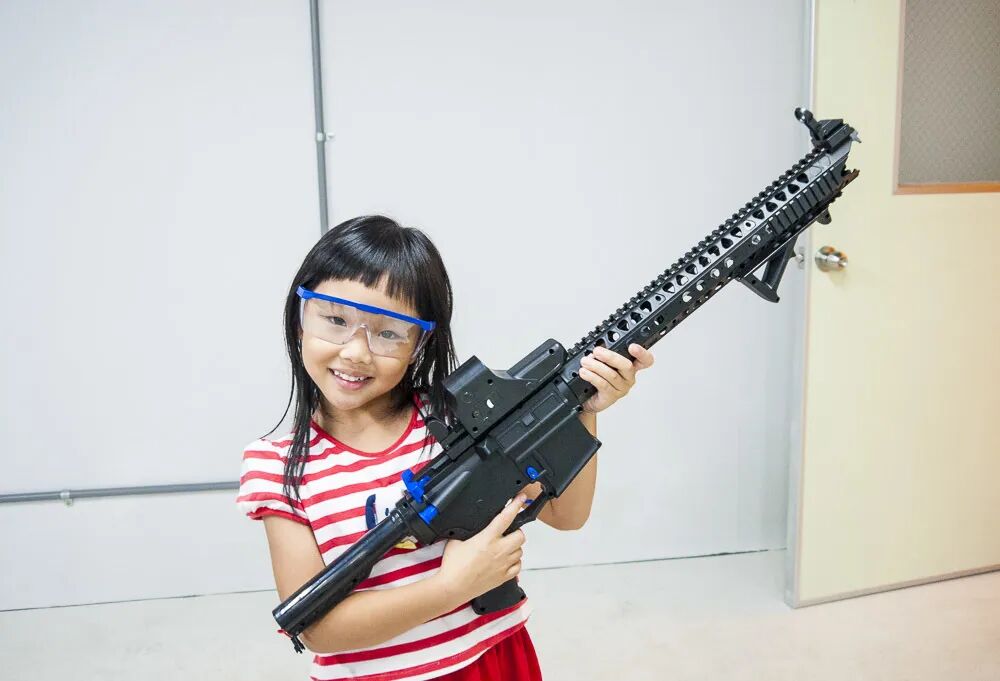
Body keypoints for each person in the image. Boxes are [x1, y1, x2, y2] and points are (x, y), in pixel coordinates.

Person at [237, 215, 654, 680]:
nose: (356, 351)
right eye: (335, 319)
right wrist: (451, 587)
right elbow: (316, 629)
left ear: (420, 343)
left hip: (495, 661)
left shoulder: (456, 419)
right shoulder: (277, 467)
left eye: (389, 332)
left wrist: (583, 408)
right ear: (299, 318)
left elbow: (566, 515)